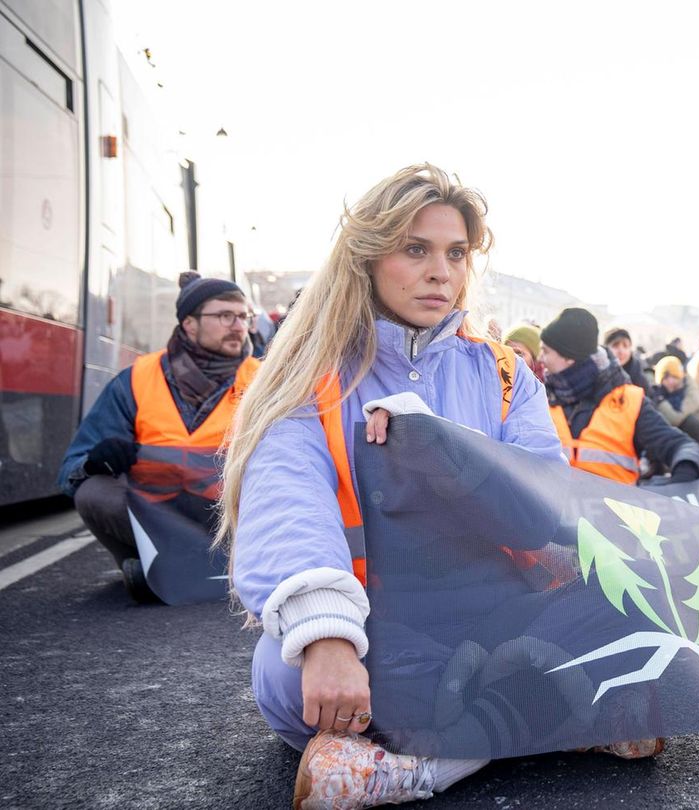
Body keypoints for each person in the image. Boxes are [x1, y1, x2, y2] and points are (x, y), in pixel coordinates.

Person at [219, 165, 654, 810]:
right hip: (371, 627)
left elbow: (542, 509)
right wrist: (327, 636)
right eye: (415, 249)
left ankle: (417, 770)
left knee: (643, 607)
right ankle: (555, 713)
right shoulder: (308, 376)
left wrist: (449, 460)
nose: (440, 271)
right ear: (366, 260)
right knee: (296, 675)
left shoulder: (505, 373)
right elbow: (288, 509)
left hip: (489, 614)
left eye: (455, 253)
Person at [58, 270, 257, 603]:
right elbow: (72, 469)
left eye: (242, 316)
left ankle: (160, 570)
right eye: (225, 315)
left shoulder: (264, 379)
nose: (238, 326)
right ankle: (179, 564)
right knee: (93, 492)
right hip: (159, 512)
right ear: (189, 323)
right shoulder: (135, 379)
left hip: (233, 513)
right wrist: (97, 461)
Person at [543, 308, 699, 485]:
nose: (540, 358)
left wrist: (684, 471)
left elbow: (682, 446)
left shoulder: (629, 400)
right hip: (550, 509)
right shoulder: (539, 398)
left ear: (569, 357)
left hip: (610, 509)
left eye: (546, 351)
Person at [650, 354, 699, 462]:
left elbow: (675, 419)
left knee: (690, 421)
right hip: (676, 443)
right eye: (665, 377)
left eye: (674, 377)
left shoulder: (690, 391)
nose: (670, 381)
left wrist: (661, 402)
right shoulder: (659, 392)